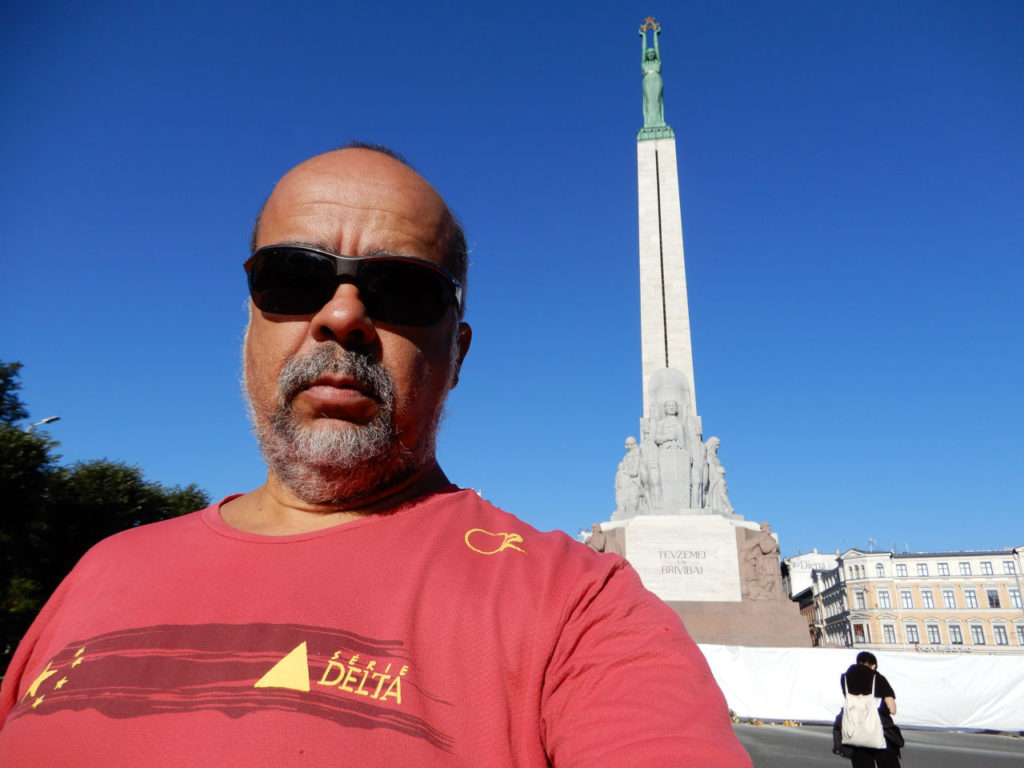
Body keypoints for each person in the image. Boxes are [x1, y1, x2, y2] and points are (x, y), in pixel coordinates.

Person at [0, 144, 752, 766]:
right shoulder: (101, 570)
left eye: (402, 290)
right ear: (250, 322)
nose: (342, 316)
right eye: (294, 278)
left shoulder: (580, 611)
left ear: (456, 354)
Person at [837, 651, 902, 768]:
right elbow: (892, 709)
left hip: (855, 731)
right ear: (874, 665)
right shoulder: (877, 678)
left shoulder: (845, 679)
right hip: (880, 730)